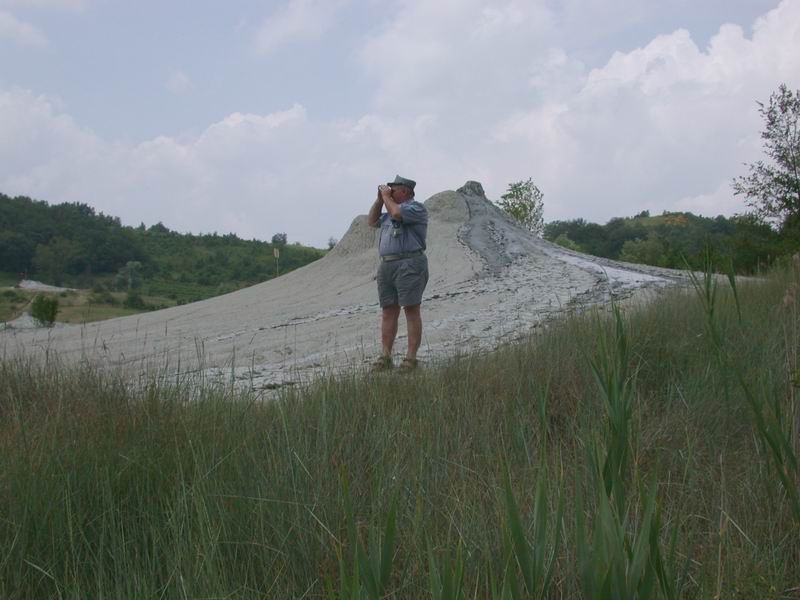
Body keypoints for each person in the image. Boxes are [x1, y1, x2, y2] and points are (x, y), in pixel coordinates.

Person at [367, 175, 429, 372]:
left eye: (393, 189)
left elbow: (397, 214)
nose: (390, 192)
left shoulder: (416, 208)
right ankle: (386, 355)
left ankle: (411, 359)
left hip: (409, 263)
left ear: (405, 191)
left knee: (411, 310)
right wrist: (379, 199)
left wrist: (387, 198)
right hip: (388, 266)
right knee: (388, 311)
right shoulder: (388, 210)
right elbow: (372, 220)